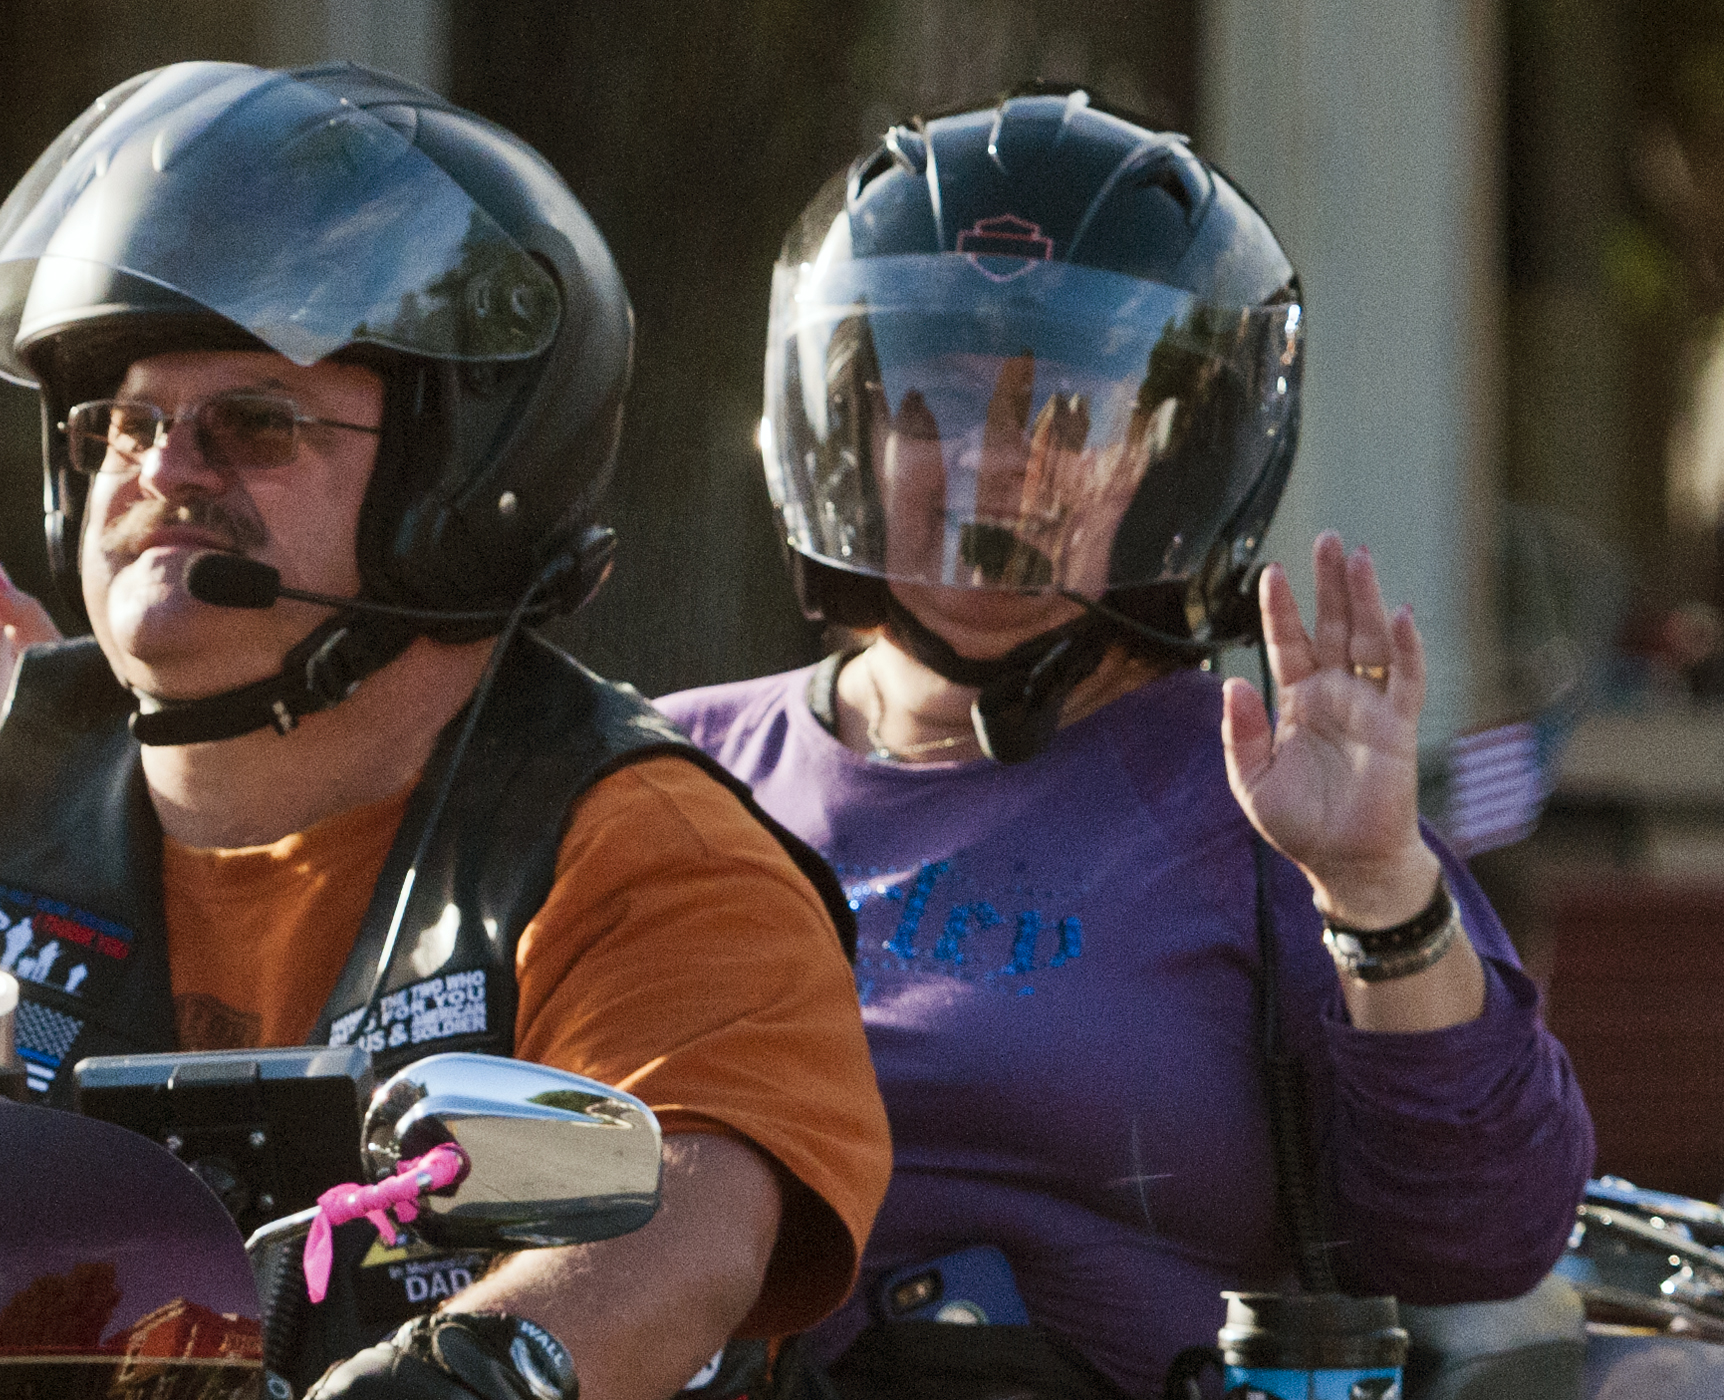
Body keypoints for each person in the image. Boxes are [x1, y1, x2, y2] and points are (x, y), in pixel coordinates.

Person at [0, 62, 891, 1400]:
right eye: (122, 424)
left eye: (251, 424)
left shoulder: (639, 855)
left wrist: (476, 1366)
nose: (161, 469)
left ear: (457, 489)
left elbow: (686, 1221)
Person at [657, 91, 1594, 1399]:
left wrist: (1376, 886)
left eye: (1068, 413)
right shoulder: (672, 770)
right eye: (936, 400)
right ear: (847, 430)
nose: (999, 464)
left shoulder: (1269, 785)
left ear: (1168, 465)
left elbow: (1483, 1238)